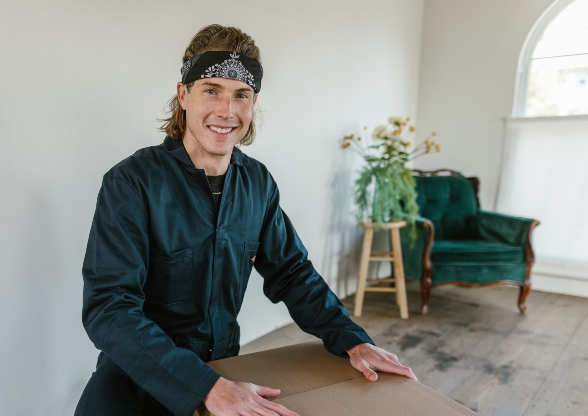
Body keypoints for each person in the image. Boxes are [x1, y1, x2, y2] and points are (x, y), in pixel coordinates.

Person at [77, 24, 416, 416]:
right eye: (211, 90)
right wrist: (203, 386)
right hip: (136, 379)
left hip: (226, 370)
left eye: (241, 95)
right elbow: (109, 309)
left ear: (254, 103)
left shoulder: (257, 182)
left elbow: (291, 271)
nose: (226, 111)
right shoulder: (131, 182)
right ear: (183, 94)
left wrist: (352, 339)